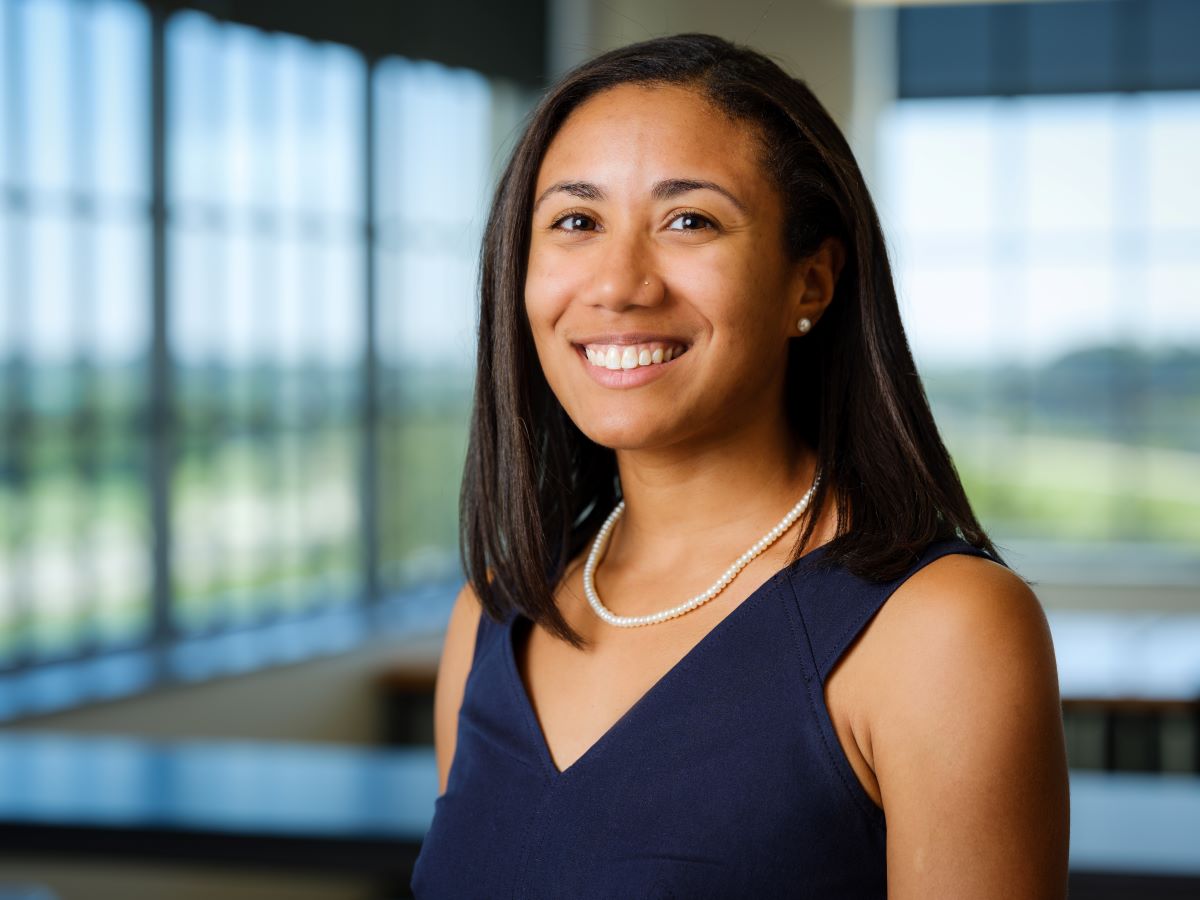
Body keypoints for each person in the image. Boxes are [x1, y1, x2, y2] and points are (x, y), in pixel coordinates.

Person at [411, 32, 1069, 899]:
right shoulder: (497, 610)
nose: (619, 283)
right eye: (576, 221)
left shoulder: (943, 630)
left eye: (690, 221)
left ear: (812, 283)